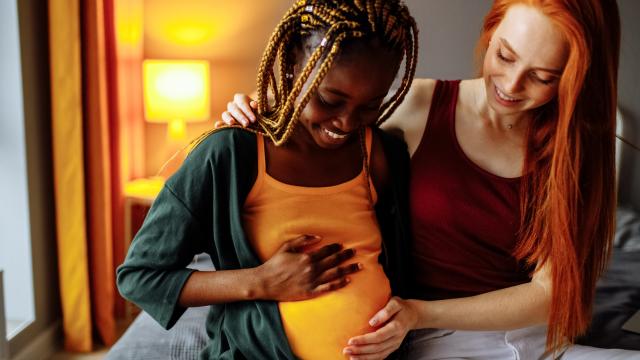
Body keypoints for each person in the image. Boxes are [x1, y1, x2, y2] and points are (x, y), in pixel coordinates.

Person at [222, 0, 640, 358]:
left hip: (538, 342)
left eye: (543, 77)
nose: (512, 85)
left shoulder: (577, 150)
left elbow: (551, 295)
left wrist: (419, 312)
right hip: (431, 341)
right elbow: (320, 124)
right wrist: (256, 112)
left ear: (573, 76)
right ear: (491, 33)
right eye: (506, 57)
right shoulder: (419, 106)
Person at [117, 0, 419, 359]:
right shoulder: (232, 152)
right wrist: (261, 282)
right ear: (292, 65)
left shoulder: (381, 153)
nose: (347, 123)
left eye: (371, 104)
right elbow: (140, 277)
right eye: (329, 99)